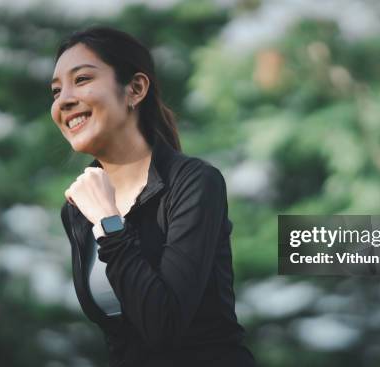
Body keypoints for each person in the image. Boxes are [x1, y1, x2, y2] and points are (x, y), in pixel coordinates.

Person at [52, 26, 256, 367]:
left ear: (135, 88)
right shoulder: (78, 207)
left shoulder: (195, 183)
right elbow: (120, 340)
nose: (64, 100)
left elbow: (163, 325)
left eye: (82, 79)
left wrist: (108, 222)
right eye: (56, 91)